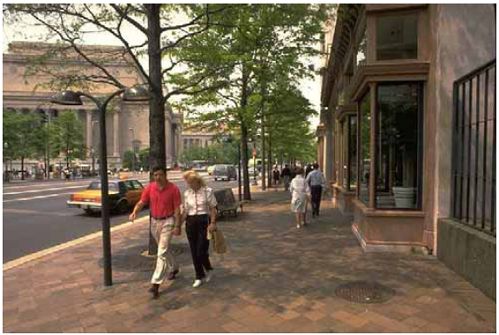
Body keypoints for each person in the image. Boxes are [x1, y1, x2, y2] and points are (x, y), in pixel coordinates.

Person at [129, 166, 182, 299]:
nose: (157, 177)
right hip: (154, 222)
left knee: (161, 252)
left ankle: (155, 283)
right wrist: (135, 211)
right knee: (163, 250)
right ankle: (174, 267)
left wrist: (177, 225)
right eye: (155, 175)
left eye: (160, 175)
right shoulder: (150, 187)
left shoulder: (174, 189)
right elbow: (142, 202)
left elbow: (177, 209)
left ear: (165, 175)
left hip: (168, 222)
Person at [181, 170, 217, 288]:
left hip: (203, 222)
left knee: (201, 250)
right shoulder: (187, 194)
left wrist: (212, 223)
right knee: (193, 250)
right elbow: (185, 211)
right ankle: (198, 275)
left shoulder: (207, 191)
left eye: (191, 182)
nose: (190, 185)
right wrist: (177, 225)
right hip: (190, 222)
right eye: (188, 183)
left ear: (197, 181)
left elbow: (213, 209)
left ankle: (208, 267)